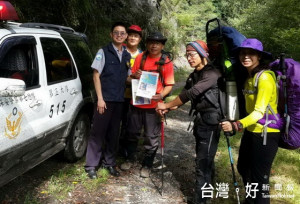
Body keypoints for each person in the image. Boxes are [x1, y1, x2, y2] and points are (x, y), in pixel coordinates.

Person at [156, 40, 223, 204]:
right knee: (205, 160)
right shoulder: (194, 74)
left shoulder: (212, 74)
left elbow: (191, 94)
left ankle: (201, 200)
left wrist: (166, 105)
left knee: (203, 163)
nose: (189, 58)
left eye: (192, 54)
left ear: (202, 54)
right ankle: (207, 193)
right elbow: (185, 92)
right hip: (201, 121)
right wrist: (169, 108)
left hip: (211, 123)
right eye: (187, 55)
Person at [221, 38, 281, 204]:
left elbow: (259, 112)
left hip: (267, 134)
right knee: (243, 168)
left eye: (251, 53)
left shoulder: (265, 78)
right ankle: (251, 200)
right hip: (252, 131)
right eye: (243, 53)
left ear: (259, 56)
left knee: (260, 180)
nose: (245, 56)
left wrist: (236, 124)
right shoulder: (249, 78)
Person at [120, 31, 175, 178]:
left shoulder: (166, 61)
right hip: (137, 102)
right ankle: (129, 158)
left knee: (151, 137)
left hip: (154, 106)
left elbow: (169, 84)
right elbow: (131, 77)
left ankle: (147, 165)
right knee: (131, 132)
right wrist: (134, 75)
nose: (154, 45)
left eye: (157, 43)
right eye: (151, 42)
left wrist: (161, 95)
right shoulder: (141, 57)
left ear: (162, 45)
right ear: (147, 44)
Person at [84, 22, 131, 179]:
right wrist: (100, 99)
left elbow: (127, 78)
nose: (119, 35)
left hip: (119, 100)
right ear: (111, 34)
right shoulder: (103, 51)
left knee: (113, 133)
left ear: (126, 36)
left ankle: (109, 163)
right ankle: (91, 166)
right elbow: (96, 75)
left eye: (122, 33)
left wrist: (140, 78)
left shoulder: (126, 55)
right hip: (104, 100)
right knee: (98, 132)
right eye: (116, 32)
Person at [119, 24, 143, 157]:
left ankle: (125, 150)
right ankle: (112, 147)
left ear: (140, 39)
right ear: (126, 36)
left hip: (135, 94)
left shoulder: (142, 55)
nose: (133, 38)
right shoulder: (119, 49)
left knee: (131, 123)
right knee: (116, 121)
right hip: (118, 92)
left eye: (136, 36)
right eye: (131, 35)